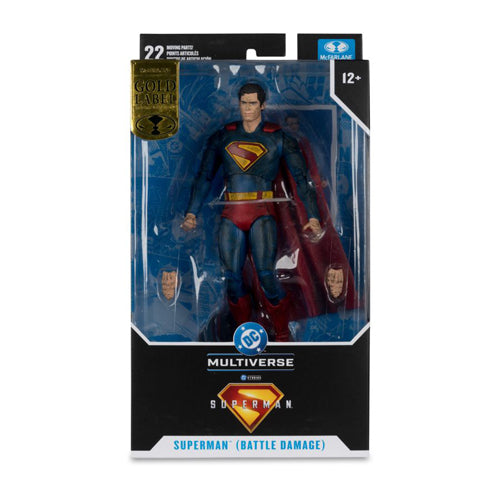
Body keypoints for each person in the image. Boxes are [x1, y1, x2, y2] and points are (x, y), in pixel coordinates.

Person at [181, 83, 321, 341]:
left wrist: (313, 216)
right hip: (231, 214)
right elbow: (204, 176)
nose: (247, 108)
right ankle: (245, 333)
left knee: (267, 276)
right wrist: (191, 213)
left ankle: (281, 333)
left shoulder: (278, 137)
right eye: (243, 103)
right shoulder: (224, 136)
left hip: (262, 213)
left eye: (252, 103)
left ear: (263, 105)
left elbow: (302, 180)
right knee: (232, 278)